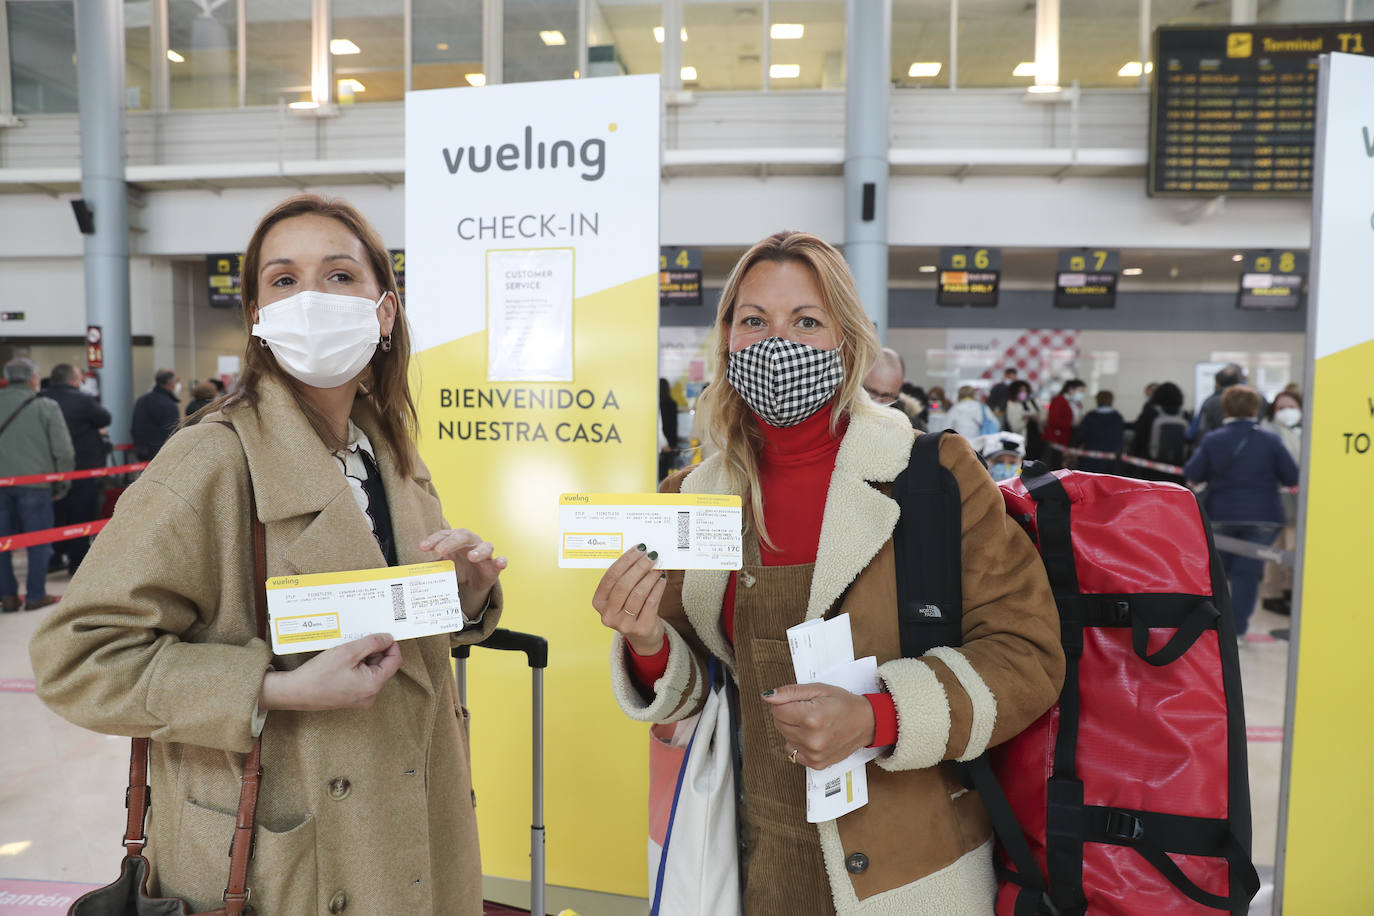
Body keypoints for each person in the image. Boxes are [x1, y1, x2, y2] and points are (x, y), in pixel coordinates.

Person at [30, 195, 506, 914]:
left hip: (416, 820)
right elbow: (77, 658)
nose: (312, 298)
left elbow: (389, 620)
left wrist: (463, 592)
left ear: (384, 311)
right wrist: (277, 689)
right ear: (257, 317)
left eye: (340, 276)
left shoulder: (390, 452)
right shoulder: (211, 462)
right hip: (293, 859)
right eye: (284, 281)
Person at [590, 230, 1063, 914]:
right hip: (749, 866)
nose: (777, 343)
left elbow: (1028, 656)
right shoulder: (690, 496)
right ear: (727, 339)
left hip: (909, 876)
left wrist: (878, 715)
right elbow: (704, 692)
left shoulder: (931, 476)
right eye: (755, 321)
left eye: (806, 321)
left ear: (847, 338)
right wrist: (646, 646)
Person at [1184, 385, 1298, 641]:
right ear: (1256, 409)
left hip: (1222, 515)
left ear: (1226, 408)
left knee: (1216, 573)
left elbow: (1193, 472)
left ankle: (1210, 626)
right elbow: (1291, 475)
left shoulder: (1213, 439)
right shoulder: (1271, 440)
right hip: (1264, 517)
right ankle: (1236, 632)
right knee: (1247, 574)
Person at [0, 358, 74, 611]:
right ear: (33, 378)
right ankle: (34, 595)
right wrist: (62, 482)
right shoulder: (46, 405)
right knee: (38, 542)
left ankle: (7, 596)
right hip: (37, 484)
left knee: (1, 543)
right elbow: (63, 450)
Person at [41, 363, 112, 575]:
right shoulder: (82, 400)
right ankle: (77, 561)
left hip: (49, 469)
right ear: (73, 380)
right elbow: (104, 418)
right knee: (80, 514)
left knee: (55, 514)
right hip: (82, 468)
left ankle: (53, 557)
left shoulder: (40, 399)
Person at [1260, 389, 1303, 614]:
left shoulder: (1307, 431)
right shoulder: (1268, 433)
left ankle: (1290, 590)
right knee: (1274, 551)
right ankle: (1272, 593)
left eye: (1291, 406)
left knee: (1296, 547)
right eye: (1280, 407)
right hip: (1275, 502)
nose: (1286, 411)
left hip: (1301, 503)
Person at [131, 368, 182, 460]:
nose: (178, 385)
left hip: (141, 452)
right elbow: (172, 432)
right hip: (162, 454)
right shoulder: (169, 405)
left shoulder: (142, 400)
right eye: (177, 381)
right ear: (170, 383)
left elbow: (135, 427)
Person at [1189, 363, 1245, 443]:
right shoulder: (1249, 400)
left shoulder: (1210, 402)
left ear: (1217, 383)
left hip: (1215, 446)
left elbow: (1198, 429)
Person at [1075, 390, 1125, 474]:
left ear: (1097, 400)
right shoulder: (1117, 417)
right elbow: (1119, 438)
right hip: (1109, 456)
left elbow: (1080, 435)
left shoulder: (1090, 416)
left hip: (1089, 455)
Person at [1044, 379, 1085, 465]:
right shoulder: (1059, 401)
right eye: (1080, 391)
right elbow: (1053, 420)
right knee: (1053, 464)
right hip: (1056, 439)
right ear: (1071, 389)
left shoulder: (1077, 404)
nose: (1081, 394)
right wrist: (1071, 423)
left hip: (1068, 439)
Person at [1004, 379, 1043, 460]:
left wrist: (1038, 418)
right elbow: (1015, 427)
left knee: (1036, 462)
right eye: (1020, 390)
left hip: (1037, 439)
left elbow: (1043, 416)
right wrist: (1025, 419)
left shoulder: (1032, 402)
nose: (1023, 393)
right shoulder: (1012, 405)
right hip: (1023, 442)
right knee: (1023, 465)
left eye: (1025, 390)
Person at [659, 377, 680, 483]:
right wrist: (674, 444)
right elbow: (673, 426)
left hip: (657, 444)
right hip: (669, 443)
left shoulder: (655, 405)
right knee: (665, 474)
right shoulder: (671, 404)